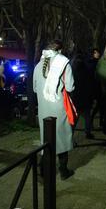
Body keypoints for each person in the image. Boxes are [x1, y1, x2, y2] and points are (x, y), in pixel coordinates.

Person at [33, 41, 75, 180]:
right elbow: (70, 87)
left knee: (46, 140)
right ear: (60, 51)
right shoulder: (64, 64)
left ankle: (43, 171)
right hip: (59, 108)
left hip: (44, 109)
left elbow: (34, 89)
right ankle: (63, 171)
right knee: (62, 139)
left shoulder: (38, 65)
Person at [70, 49, 95, 140]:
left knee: (73, 119)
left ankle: (70, 136)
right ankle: (88, 132)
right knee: (87, 116)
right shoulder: (87, 70)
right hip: (85, 97)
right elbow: (90, 84)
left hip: (75, 97)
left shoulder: (71, 70)